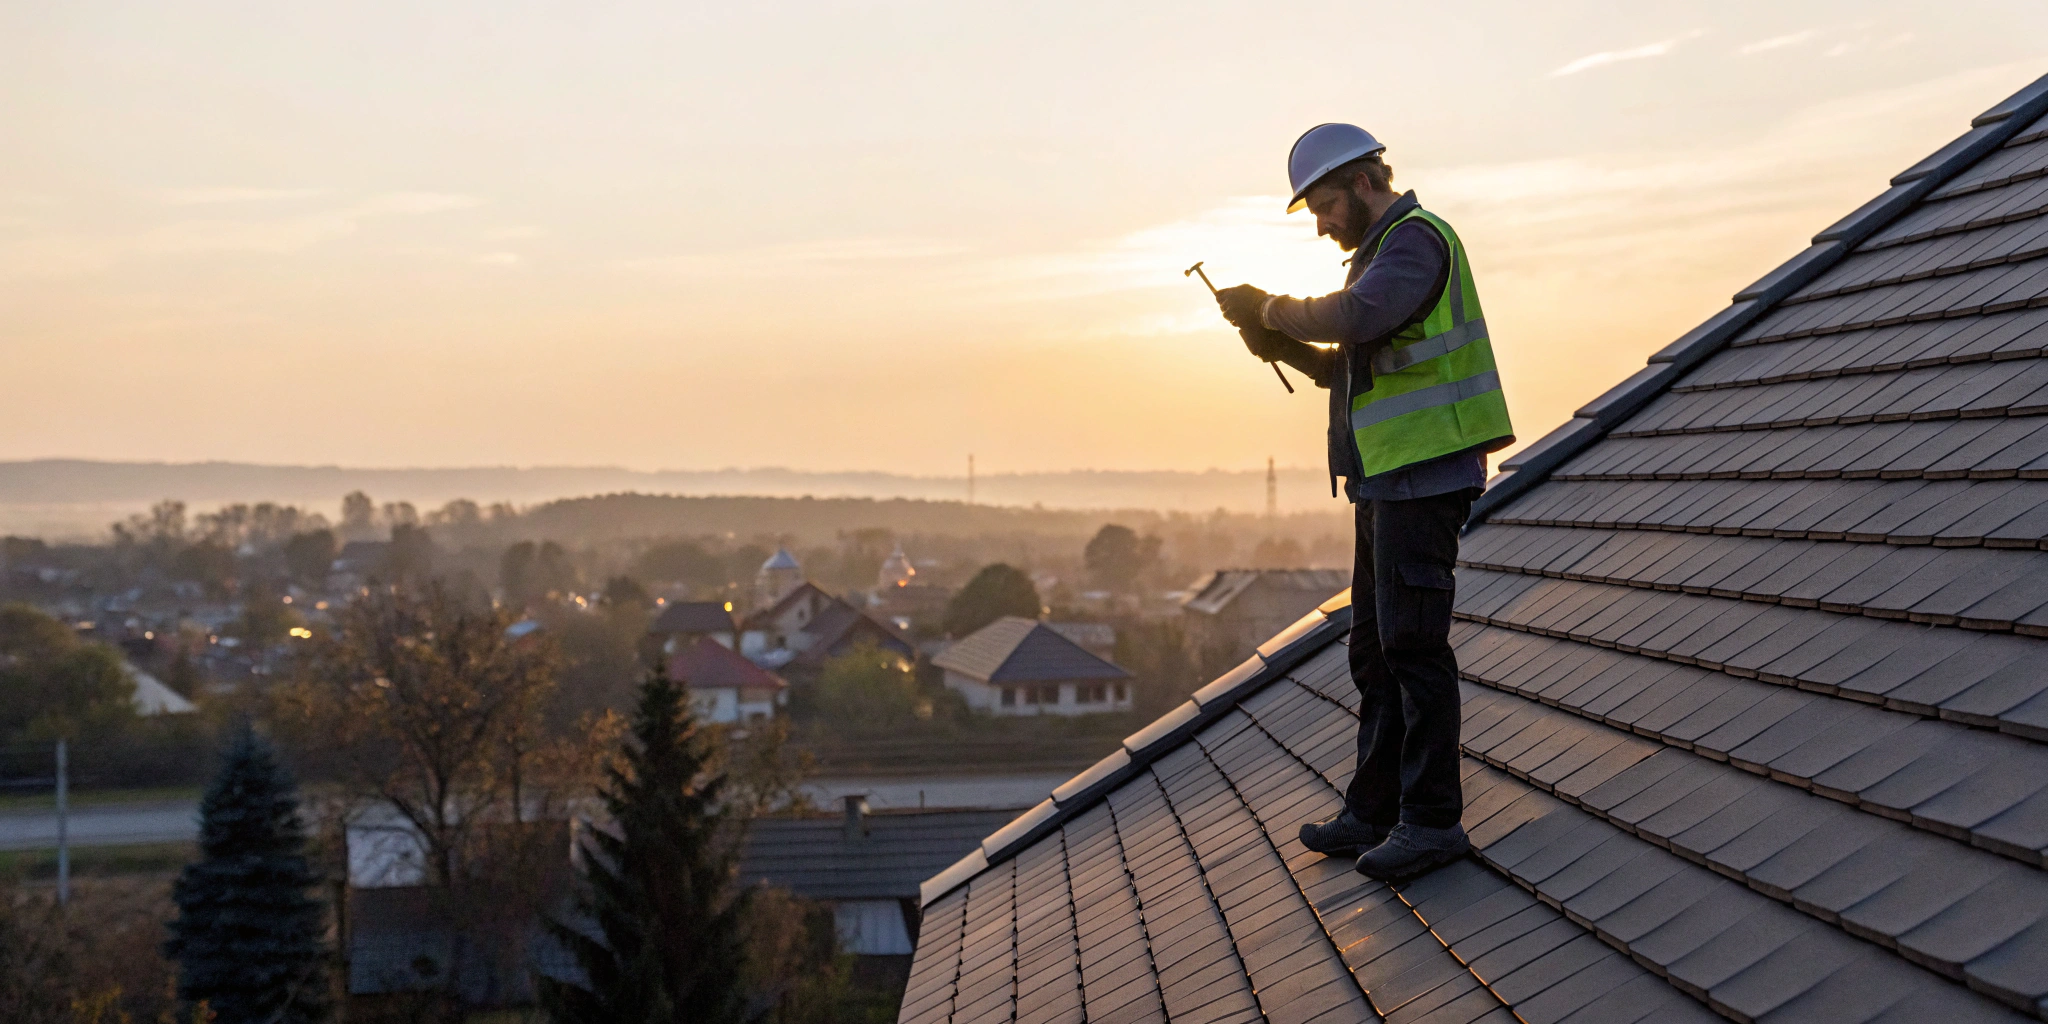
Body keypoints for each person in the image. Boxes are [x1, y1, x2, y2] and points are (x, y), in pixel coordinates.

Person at [1215, 124, 1513, 880]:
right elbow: (1359, 368)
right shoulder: (1377, 259)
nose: (1318, 222)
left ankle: (1432, 822)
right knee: (1375, 650)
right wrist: (1280, 345)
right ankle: (1375, 810)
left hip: (1427, 479)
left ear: (1359, 182)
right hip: (1388, 481)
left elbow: (1356, 321)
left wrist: (1273, 309)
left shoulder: (1414, 243)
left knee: (1413, 647)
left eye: (1321, 204)